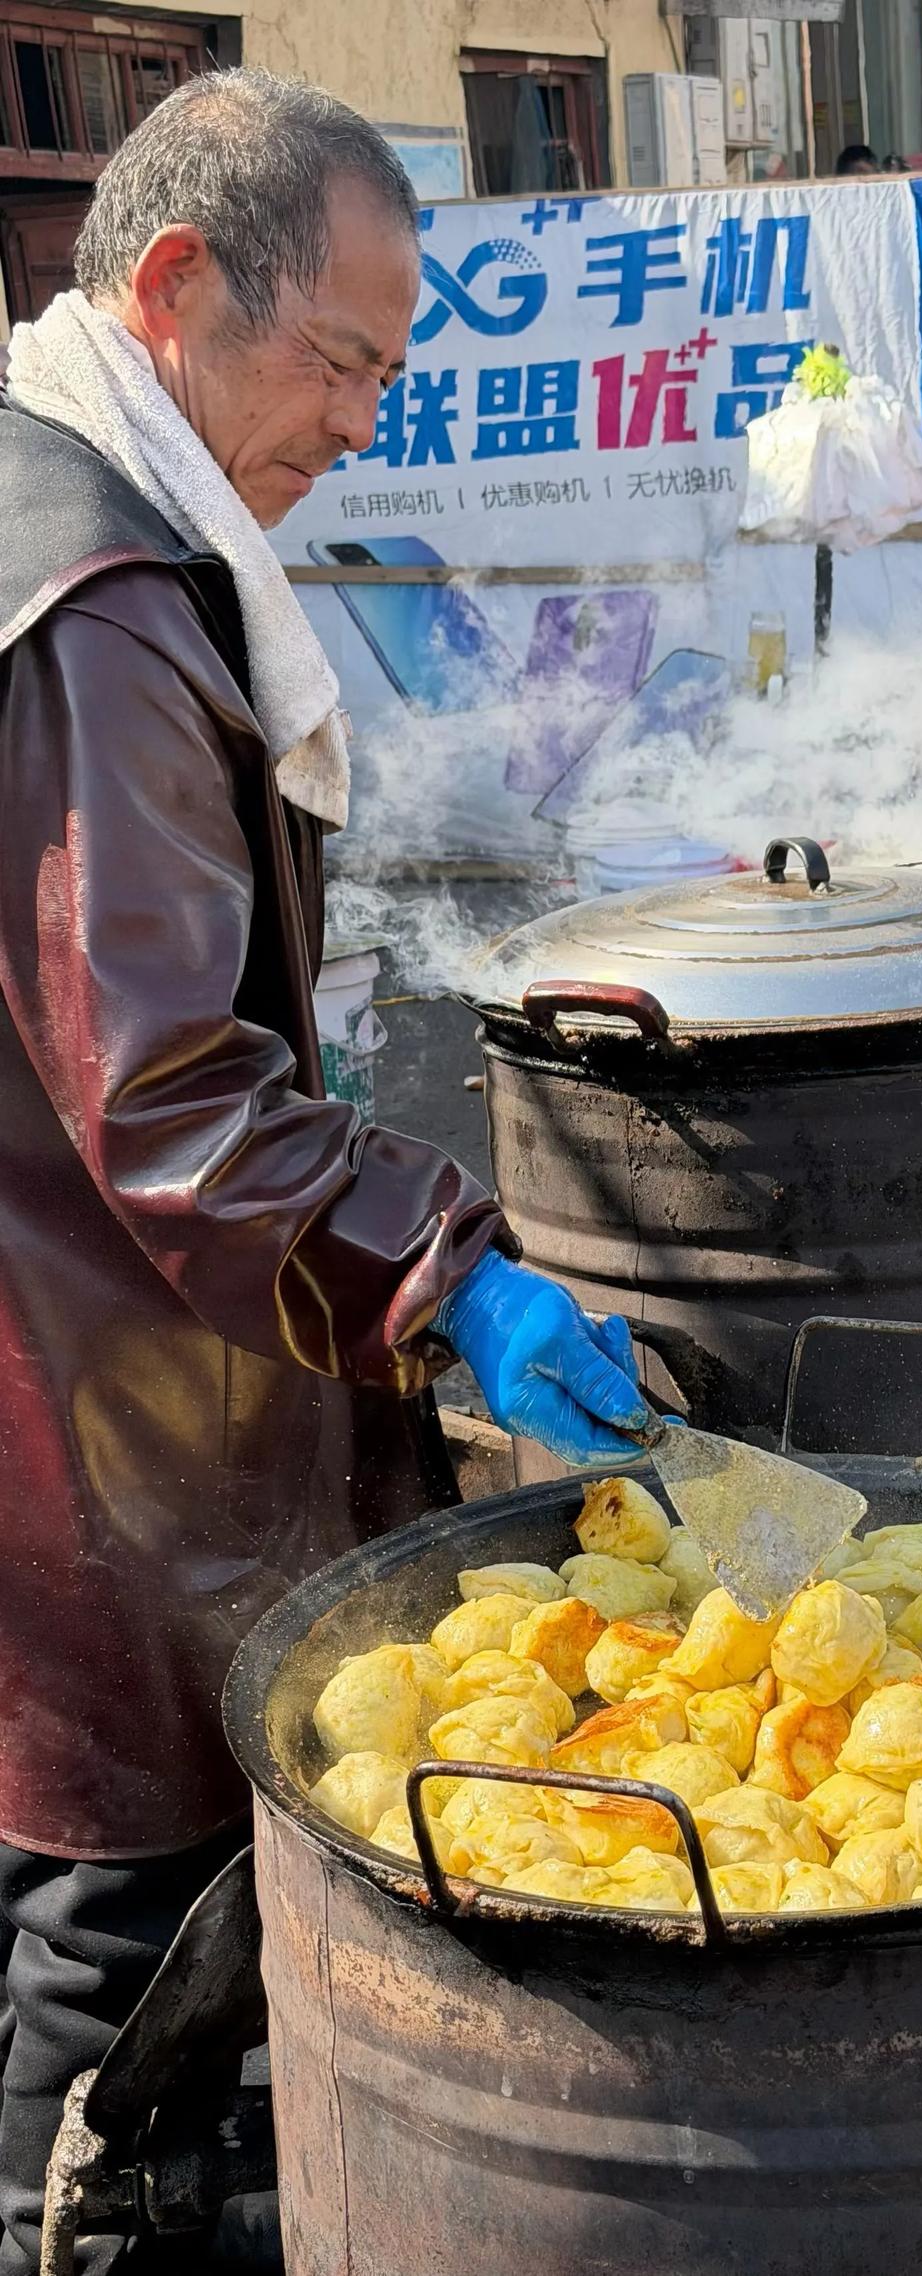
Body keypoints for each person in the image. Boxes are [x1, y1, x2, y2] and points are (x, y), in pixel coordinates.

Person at [0, 67, 653, 2273]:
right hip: (98, 1409)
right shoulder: (97, 601)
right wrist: (445, 1268)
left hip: (55, 1348)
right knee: (117, 1943)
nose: (366, 423)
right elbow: (170, 1093)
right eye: (345, 361)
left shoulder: (46, 496)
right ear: (179, 286)